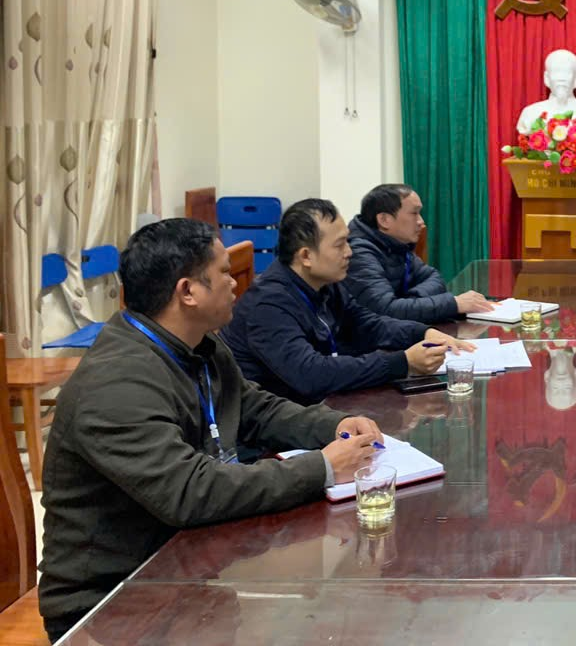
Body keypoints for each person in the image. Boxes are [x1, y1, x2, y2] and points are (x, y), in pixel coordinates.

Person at [38, 219, 385, 640]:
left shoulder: (198, 344)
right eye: (223, 272)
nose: (236, 282)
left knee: (332, 608)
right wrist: (322, 467)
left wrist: (332, 425)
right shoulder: (116, 384)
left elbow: (253, 408)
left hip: (190, 562)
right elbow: (190, 491)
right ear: (188, 291)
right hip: (112, 600)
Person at [221, 198, 473, 406]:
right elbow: (311, 374)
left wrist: (422, 333)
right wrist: (403, 362)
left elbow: (367, 324)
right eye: (340, 245)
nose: (349, 252)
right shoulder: (268, 304)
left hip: (323, 406)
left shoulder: (324, 282)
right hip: (278, 426)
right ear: (306, 256)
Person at [346, 183, 496, 323]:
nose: (421, 222)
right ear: (384, 220)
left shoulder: (397, 245)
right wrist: (453, 304)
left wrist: (410, 302)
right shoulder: (359, 253)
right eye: (414, 213)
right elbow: (386, 311)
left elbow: (434, 278)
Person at [516, 48, 576, 134]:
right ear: (546, 78)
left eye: (567, 72)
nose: (561, 78)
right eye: (556, 72)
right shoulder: (530, 113)